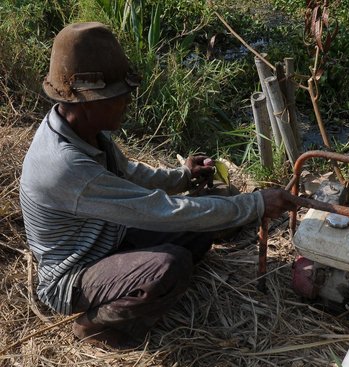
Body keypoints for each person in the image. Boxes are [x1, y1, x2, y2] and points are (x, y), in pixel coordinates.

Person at [20, 22, 299, 348]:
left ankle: (140, 275)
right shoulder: (63, 165)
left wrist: (183, 176)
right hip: (75, 276)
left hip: (109, 239)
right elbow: (160, 211)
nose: (126, 104)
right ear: (89, 102)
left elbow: (130, 173)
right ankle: (95, 326)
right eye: (118, 97)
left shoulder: (81, 131)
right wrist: (255, 205)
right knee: (169, 266)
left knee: (200, 227)